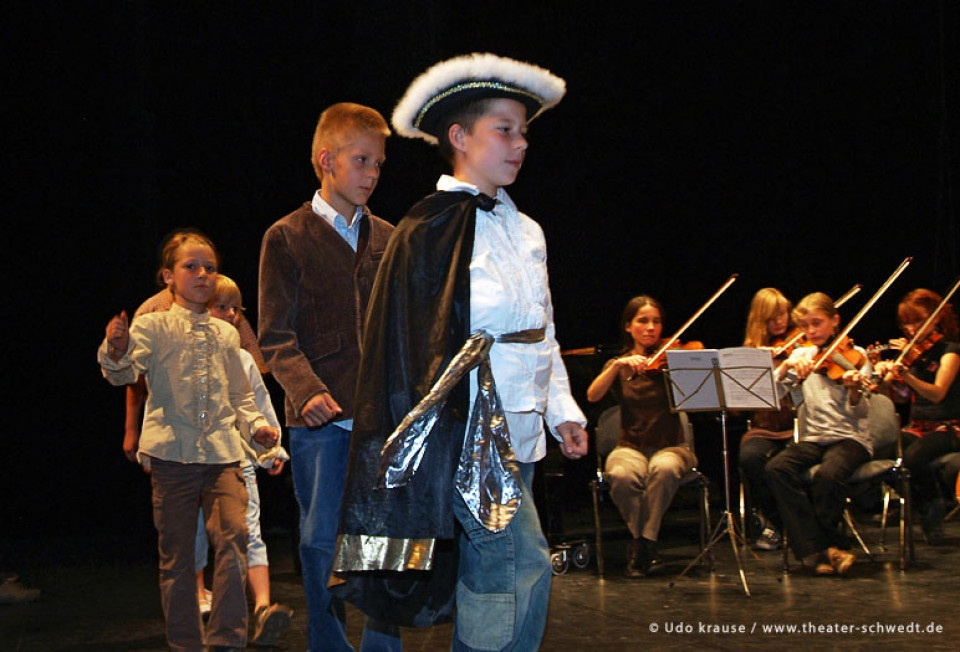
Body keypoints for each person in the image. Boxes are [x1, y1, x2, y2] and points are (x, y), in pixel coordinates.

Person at [333, 53, 589, 651]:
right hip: (469, 435)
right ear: (459, 136)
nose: (520, 144)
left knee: (508, 569)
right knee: (513, 563)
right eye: (504, 129)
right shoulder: (430, 227)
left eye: (524, 132)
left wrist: (564, 411)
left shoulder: (527, 230)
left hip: (522, 433)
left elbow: (542, 328)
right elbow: (410, 351)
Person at [257, 102, 399, 651]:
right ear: (326, 159)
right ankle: (329, 644)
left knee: (383, 539)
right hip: (322, 423)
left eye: (379, 164)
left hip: (384, 421)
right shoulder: (286, 237)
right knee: (321, 541)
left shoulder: (389, 237)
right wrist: (307, 390)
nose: (371, 174)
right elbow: (275, 336)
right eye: (361, 160)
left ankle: (383, 647)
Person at [98, 231, 279, 650]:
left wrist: (257, 428)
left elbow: (240, 395)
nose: (202, 274)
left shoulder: (226, 334)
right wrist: (117, 346)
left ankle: (227, 642)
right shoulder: (153, 326)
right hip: (172, 456)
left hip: (222, 456)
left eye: (210, 268)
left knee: (233, 540)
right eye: (191, 266)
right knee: (178, 557)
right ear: (168, 276)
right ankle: (185, 644)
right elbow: (123, 373)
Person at [206, 275, 294, 646]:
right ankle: (203, 605)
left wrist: (271, 449)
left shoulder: (242, 358)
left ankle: (262, 607)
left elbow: (258, 406)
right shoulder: (185, 354)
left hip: (239, 458)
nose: (228, 315)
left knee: (250, 532)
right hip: (195, 463)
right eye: (220, 306)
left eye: (234, 309)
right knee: (201, 536)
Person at [585, 296, 699, 578]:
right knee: (620, 474)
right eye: (642, 321)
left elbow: (698, 399)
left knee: (665, 468)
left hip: (673, 446)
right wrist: (614, 366)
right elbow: (592, 395)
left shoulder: (674, 360)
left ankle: (641, 544)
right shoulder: (620, 365)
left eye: (656, 321)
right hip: (631, 446)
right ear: (628, 326)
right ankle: (647, 543)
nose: (650, 328)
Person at [764, 292, 873, 576]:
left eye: (817, 323)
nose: (811, 331)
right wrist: (785, 366)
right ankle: (827, 549)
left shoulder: (857, 356)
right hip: (813, 439)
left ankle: (821, 549)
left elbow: (862, 415)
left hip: (851, 438)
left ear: (835, 321)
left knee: (828, 474)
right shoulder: (801, 354)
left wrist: (853, 389)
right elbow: (774, 397)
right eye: (806, 326)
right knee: (776, 467)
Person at [873, 288, 960, 545]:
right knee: (883, 452)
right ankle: (925, 502)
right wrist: (882, 375)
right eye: (906, 323)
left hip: (949, 426)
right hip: (919, 426)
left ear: (935, 319)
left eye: (917, 321)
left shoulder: (950, 350)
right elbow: (898, 398)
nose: (911, 329)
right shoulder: (913, 355)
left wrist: (907, 375)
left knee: (912, 457)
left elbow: (937, 394)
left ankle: (933, 503)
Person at [738, 288, 798, 551]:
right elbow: (740, 407)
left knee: (789, 464)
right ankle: (775, 523)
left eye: (783, 313)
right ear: (760, 320)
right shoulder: (748, 355)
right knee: (750, 458)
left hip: (799, 428)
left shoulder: (800, 348)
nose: (780, 321)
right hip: (764, 430)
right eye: (773, 317)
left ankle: (801, 525)